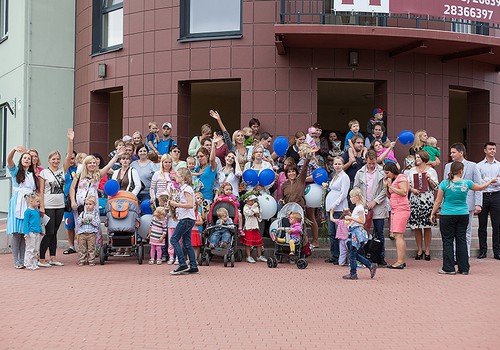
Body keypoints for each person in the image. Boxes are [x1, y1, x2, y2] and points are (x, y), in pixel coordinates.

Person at [431, 161, 497, 275]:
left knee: (448, 241)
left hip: (447, 214)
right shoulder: (467, 183)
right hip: (463, 214)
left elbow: (438, 201)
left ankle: (449, 267)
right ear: (461, 171)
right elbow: (481, 187)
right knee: (461, 240)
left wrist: (432, 213)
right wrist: (491, 181)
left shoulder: (444, 184)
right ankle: (464, 268)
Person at [70, 149, 124, 258]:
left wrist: (116, 156)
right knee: (80, 228)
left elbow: (108, 166)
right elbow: (72, 188)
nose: (92, 164)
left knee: (94, 227)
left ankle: (95, 251)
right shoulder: (79, 174)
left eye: (94, 162)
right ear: (86, 164)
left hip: (92, 205)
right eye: (90, 162)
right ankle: (83, 253)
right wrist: (73, 201)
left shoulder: (97, 174)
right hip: (80, 206)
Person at [38, 129, 74, 267]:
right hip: (48, 206)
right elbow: (41, 191)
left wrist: (70, 141)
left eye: (58, 159)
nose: (56, 161)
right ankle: (42, 258)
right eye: (53, 159)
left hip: (60, 206)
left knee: (54, 233)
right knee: (49, 232)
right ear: (49, 160)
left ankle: (53, 257)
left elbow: (69, 155)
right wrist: (41, 206)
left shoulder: (62, 170)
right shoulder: (44, 173)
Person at [443, 143, 482, 256]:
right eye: (451, 152)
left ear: (461, 152)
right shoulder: (448, 166)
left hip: (467, 203)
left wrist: (478, 204)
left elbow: (478, 185)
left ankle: (465, 255)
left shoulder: (472, 165)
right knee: (453, 232)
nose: (451, 155)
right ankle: (454, 255)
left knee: (467, 231)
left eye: (454, 152)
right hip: (451, 204)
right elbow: (446, 185)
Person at [353, 150, 388, 265]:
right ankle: (363, 256)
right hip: (364, 206)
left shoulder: (382, 172)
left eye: (373, 163)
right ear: (366, 161)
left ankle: (380, 257)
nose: (372, 165)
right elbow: (356, 188)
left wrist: (375, 201)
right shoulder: (360, 172)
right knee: (362, 232)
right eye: (369, 163)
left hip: (378, 205)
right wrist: (361, 201)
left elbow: (385, 190)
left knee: (379, 232)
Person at [6, 146, 39, 269]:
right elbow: (9, 160)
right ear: (21, 160)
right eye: (25, 158)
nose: (27, 160)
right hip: (18, 203)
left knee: (26, 232)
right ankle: (17, 260)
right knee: (17, 233)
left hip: (29, 203)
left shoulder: (31, 175)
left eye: (29, 159)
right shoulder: (16, 172)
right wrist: (14, 150)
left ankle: (25, 259)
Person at [407, 150, 439, 261]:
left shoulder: (431, 171)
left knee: (427, 226)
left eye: (418, 157)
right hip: (415, 201)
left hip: (427, 200)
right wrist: (412, 189)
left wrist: (429, 180)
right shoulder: (411, 171)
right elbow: (407, 185)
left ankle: (428, 249)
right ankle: (419, 249)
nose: (416, 159)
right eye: (416, 157)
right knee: (416, 227)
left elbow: (436, 187)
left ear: (424, 158)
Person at [168, 168, 199, 275]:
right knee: (186, 242)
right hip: (188, 218)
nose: (175, 177)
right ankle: (193, 265)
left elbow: (190, 204)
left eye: (178, 175)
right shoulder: (185, 188)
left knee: (174, 239)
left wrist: (176, 204)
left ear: (183, 178)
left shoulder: (186, 189)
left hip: (186, 218)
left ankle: (182, 263)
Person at [342, 187, 377, 280]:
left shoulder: (360, 208)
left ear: (357, 197)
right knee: (354, 253)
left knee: (352, 254)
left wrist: (351, 218)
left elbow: (362, 221)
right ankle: (370, 265)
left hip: (356, 233)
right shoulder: (358, 208)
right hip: (354, 231)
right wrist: (350, 215)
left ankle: (353, 273)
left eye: (351, 197)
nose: (350, 199)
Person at [384, 162, 411, 269]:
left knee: (399, 235)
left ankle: (400, 261)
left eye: (388, 172)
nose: (387, 175)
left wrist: (391, 186)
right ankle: (399, 260)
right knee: (396, 235)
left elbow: (404, 192)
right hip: (395, 209)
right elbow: (390, 196)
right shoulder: (393, 180)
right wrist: (386, 187)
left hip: (402, 209)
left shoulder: (401, 177)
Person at [477, 142, 500, 259]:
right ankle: (483, 251)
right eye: (490, 149)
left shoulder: (499, 165)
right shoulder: (479, 166)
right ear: (485, 150)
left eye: (494, 149)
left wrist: (487, 180)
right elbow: (479, 182)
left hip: (496, 195)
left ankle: (497, 251)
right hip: (483, 196)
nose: (492, 151)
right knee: (482, 225)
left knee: (497, 225)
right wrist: (492, 180)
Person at [325, 156, 350, 264]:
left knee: (339, 233)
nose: (337, 166)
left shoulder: (344, 177)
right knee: (331, 232)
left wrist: (334, 205)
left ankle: (341, 255)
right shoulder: (334, 176)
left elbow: (344, 194)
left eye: (339, 164)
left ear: (343, 164)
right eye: (335, 164)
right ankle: (334, 255)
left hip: (338, 209)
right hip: (330, 208)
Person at [240, 194, 267, 263]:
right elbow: (249, 213)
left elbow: (259, 217)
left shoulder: (256, 207)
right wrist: (254, 209)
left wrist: (258, 214)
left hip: (255, 227)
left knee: (259, 243)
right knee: (248, 243)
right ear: (246, 201)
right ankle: (248, 256)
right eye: (251, 200)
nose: (253, 202)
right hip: (248, 227)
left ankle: (259, 256)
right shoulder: (245, 207)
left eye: (254, 200)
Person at [76, 196, 100, 266]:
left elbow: (97, 224)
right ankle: (82, 260)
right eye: (86, 204)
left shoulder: (95, 214)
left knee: (91, 248)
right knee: (82, 248)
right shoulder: (82, 213)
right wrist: (82, 221)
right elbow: (78, 222)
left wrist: (92, 220)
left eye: (90, 204)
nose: (88, 206)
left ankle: (91, 260)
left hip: (91, 234)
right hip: (82, 234)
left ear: (94, 205)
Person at [23, 192, 44, 270]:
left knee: (36, 248)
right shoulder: (28, 211)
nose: (38, 203)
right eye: (37, 201)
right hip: (31, 232)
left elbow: (38, 222)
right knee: (30, 248)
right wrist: (26, 232)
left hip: (37, 232)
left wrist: (40, 230)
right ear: (31, 201)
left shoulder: (36, 211)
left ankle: (34, 262)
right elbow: (25, 223)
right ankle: (28, 263)